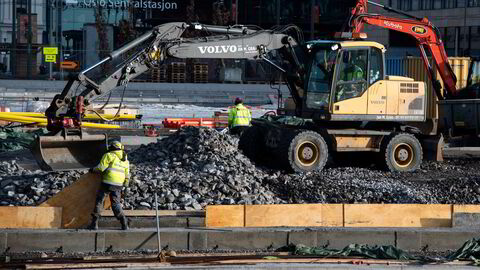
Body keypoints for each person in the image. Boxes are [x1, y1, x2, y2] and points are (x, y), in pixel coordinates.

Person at [88, 140, 130, 230]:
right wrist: (126, 183)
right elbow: (127, 174)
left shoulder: (109, 155)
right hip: (119, 184)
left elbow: (101, 168)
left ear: (111, 148)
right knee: (116, 203)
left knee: (100, 200)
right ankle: (124, 222)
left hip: (108, 182)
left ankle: (94, 224)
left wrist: (92, 170)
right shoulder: (125, 159)